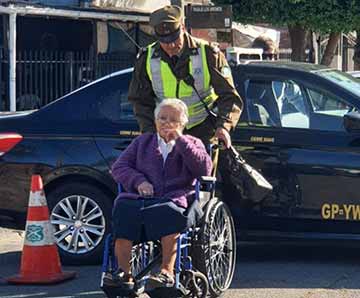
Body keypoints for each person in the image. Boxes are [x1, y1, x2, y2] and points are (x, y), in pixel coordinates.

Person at [104, 99, 212, 289]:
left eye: (173, 119)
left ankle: (166, 273)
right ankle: (124, 274)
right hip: (142, 198)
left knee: (167, 212)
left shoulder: (193, 143)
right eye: (162, 118)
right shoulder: (142, 142)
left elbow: (204, 169)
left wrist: (180, 140)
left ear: (183, 123)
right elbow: (119, 167)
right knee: (123, 209)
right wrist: (139, 181)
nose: (166, 123)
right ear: (155, 121)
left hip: (175, 197)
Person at [128, 5, 243, 148]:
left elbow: (229, 96)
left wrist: (223, 126)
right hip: (165, 134)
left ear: (182, 27)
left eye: (174, 38)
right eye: (164, 40)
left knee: (201, 169)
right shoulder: (146, 58)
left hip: (203, 131)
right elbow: (140, 100)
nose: (170, 45)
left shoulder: (208, 54)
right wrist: (150, 133)